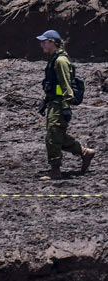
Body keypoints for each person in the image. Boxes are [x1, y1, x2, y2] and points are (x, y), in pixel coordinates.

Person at [36, 29, 95, 180]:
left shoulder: (60, 61)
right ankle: (84, 152)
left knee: (53, 136)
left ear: (53, 43)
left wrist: (66, 106)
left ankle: (55, 171)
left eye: (44, 41)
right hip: (54, 102)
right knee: (57, 135)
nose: (41, 44)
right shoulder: (54, 59)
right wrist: (46, 101)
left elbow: (65, 85)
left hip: (60, 104)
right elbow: (54, 85)